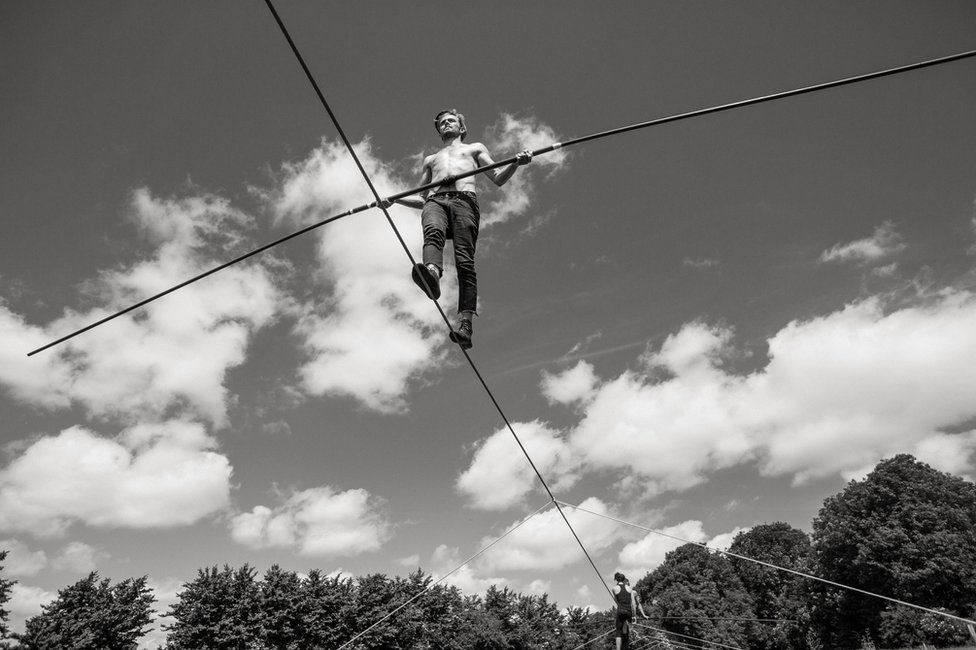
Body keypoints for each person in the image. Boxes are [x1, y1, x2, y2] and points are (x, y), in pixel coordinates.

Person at [383, 109, 532, 350]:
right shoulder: (431, 160)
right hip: (435, 202)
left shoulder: (474, 149)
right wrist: (394, 200)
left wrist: (517, 163)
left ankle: (465, 324)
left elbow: (497, 177)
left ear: (461, 127)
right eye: (441, 123)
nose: (445, 124)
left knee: (465, 262)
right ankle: (431, 272)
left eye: (450, 121)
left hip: (464, 201)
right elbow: (422, 198)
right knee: (432, 231)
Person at [612, 572, 647, 650]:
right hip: (629, 612)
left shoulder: (614, 588)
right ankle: (625, 640)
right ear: (624, 580)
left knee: (619, 631)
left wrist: (643, 615)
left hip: (621, 611)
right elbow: (633, 604)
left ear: (616, 580)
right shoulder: (630, 590)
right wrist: (634, 616)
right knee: (627, 625)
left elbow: (617, 601)